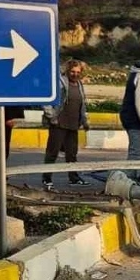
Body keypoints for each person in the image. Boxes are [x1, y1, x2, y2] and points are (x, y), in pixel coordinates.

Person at [41, 60, 90, 190]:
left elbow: (82, 104)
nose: (75, 74)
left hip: (73, 124)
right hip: (59, 123)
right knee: (52, 153)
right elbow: (47, 99)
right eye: (73, 72)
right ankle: (47, 179)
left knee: (72, 154)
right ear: (68, 71)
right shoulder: (60, 83)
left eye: (78, 72)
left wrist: (84, 120)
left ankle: (73, 178)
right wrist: (51, 116)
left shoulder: (79, 84)